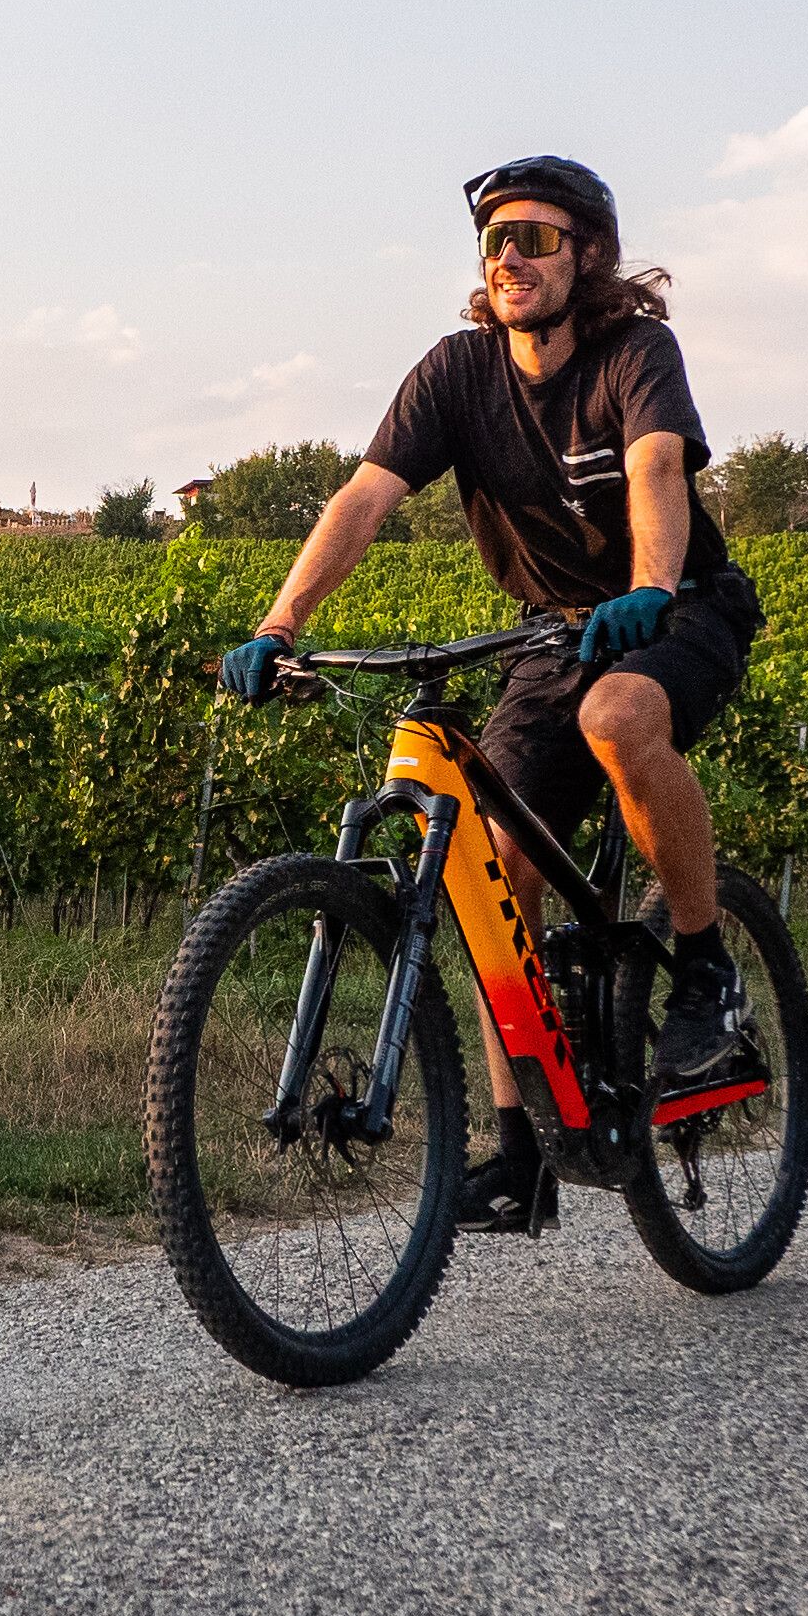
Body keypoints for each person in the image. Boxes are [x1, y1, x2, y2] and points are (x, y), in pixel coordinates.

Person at [212, 154, 764, 1234]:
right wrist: (283, 623)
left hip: (680, 605)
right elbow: (363, 499)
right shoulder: (456, 374)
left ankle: (705, 969)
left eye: (538, 239)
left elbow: (656, 471)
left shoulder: (634, 352)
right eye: (497, 241)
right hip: (551, 633)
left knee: (617, 717)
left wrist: (649, 587)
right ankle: (523, 1154)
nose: (512, 256)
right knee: (487, 865)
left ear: (586, 255)